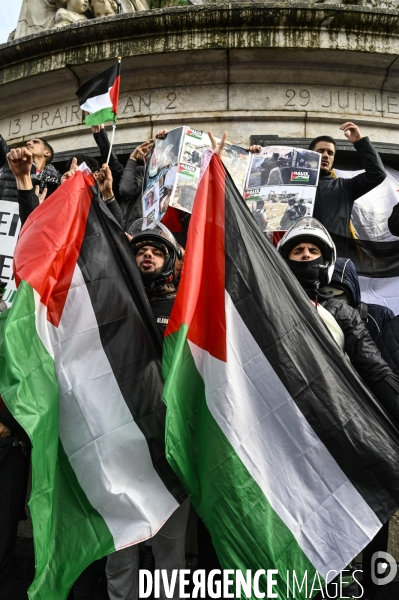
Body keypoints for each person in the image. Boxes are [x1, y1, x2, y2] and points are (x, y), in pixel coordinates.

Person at [105, 219, 189, 600]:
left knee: (170, 554)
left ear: (171, 260)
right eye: (140, 251)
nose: (148, 256)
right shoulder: (114, 305)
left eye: (156, 251)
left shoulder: (185, 311)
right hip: (121, 448)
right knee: (120, 550)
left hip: (169, 452)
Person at [277, 217, 399, 425]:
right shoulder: (268, 301)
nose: (306, 254)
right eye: (298, 251)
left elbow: (373, 368)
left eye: (313, 251)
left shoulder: (341, 312)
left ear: (326, 262)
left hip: (330, 409)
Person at [309, 123, 386, 236]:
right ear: (309, 155)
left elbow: (377, 174)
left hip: (336, 251)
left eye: (330, 153)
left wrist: (360, 142)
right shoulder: (292, 186)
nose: (325, 155)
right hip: (300, 250)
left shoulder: (345, 187)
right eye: (320, 151)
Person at [328, 257, 394, 343]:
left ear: (351, 291)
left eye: (338, 293)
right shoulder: (312, 316)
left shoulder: (380, 316)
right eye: (325, 293)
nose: (332, 299)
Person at [0, 134, 60, 204]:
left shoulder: (55, 181)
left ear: (47, 153)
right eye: (28, 142)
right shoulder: (12, 160)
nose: (28, 143)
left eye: (35, 142)